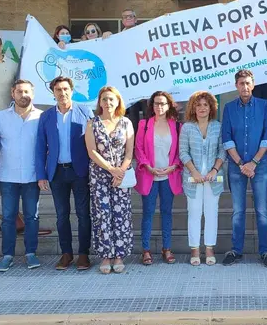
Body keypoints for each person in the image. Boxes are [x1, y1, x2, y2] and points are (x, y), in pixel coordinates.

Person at [35, 76, 94, 271]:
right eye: (58, 89)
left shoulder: (85, 111)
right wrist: (41, 174)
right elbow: (40, 147)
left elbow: (94, 142)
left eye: (66, 89)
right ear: (53, 92)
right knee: (62, 215)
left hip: (80, 171)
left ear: (72, 90)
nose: (62, 93)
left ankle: (83, 254)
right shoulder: (46, 116)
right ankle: (67, 253)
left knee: (83, 214)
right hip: (57, 172)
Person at [221, 70, 267, 268]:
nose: (245, 86)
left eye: (248, 83)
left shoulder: (264, 106)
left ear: (253, 85)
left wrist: (253, 162)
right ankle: (236, 250)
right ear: (236, 85)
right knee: (238, 210)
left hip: (259, 166)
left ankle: (265, 251)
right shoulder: (228, 108)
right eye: (241, 83)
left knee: (262, 210)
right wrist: (240, 164)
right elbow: (226, 138)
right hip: (237, 167)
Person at [0, 80, 43, 272]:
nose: (23, 95)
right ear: (12, 93)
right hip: (8, 176)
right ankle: (7, 255)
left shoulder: (41, 117)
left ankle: (31, 253)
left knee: (32, 216)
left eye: (27, 91)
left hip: (32, 176)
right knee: (8, 217)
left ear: (33, 93)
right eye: (19, 91)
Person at [85, 86, 135, 274]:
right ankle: (106, 256)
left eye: (111, 99)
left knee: (121, 215)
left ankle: (119, 255)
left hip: (122, 175)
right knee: (102, 215)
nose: (108, 103)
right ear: (99, 102)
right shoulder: (92, 123)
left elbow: (129, 151)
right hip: (100, 175)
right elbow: (92, 151)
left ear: (118, 101)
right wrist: (111, 169)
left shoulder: (126, 123)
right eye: (104, 99)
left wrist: (120, 171)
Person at [134, 91, 182, 265]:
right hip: (150, 175)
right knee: (148, 213)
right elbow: (138, 148)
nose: (159, 107)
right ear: (151, 105)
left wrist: (173, 166)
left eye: (162, 103)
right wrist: (148, 166)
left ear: (168, 105)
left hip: (169, 176)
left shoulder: (176, 125)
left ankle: (166, 248)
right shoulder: (144, 124)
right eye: (156, 103)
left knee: (166, 213)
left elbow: (179, 152)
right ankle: (146, 250)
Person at [179, 91, 225, 266]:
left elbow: (222, 151)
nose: (202, 108)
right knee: (194, 213)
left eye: (205, 104)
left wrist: (214, 170)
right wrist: (194, 172)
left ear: (211, 107)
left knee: (212, 213)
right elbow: (183, 152)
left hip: (213, 178)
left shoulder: (218, 126)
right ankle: (195, 250)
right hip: (193, 179)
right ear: (193, 107)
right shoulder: (187, 127)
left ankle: (209, 249)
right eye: (198, 105)